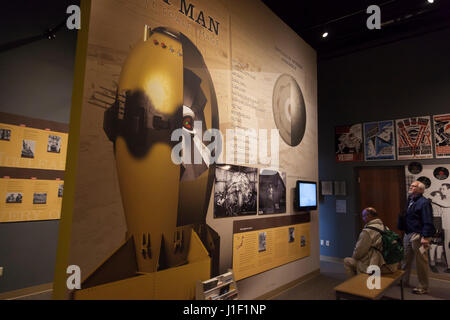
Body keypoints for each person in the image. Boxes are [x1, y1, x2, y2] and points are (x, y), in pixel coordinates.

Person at [398, 181, 436, 295]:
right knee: (405, 259)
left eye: (414, 186)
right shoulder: (410, 199)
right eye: (411, 185)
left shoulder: (424, 203)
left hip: (419, 236)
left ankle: (423, 287)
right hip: (408, 234)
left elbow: (428, 220)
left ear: (421, 190)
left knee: (421, 262)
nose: (411, 187)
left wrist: (425, 237)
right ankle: (403, 281)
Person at [344, 207, 398, 278]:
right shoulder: (385, 228)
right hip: (391, 265)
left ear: (368, 216)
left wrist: (355, 257)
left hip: (379, 267)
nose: (362, 218)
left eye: (363, 216)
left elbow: (358, 252)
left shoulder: (367, 231)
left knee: (347, 261)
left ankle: (353, 286)